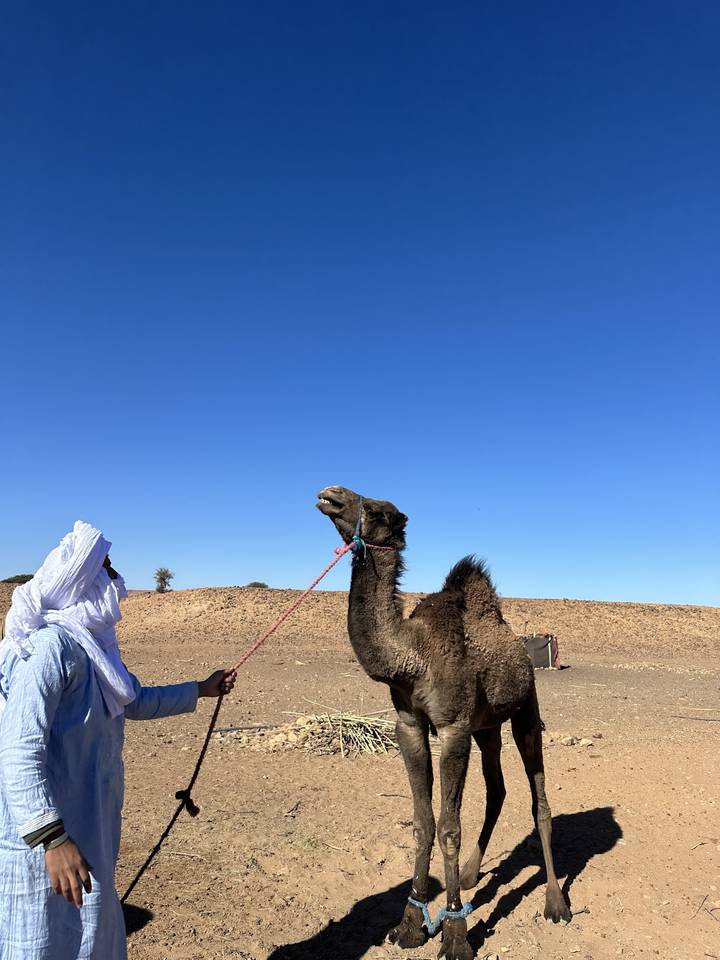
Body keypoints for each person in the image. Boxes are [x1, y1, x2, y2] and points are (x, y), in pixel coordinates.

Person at [0, 521, 237, 960]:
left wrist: (200, 689)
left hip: (87, 822)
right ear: (82, 580)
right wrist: (52, 839)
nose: (117, 580)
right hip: (47, 833)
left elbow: (134, 699)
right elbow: (17, 749)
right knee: (40, 934)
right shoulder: (50, 649)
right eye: (107, 569)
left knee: (87, 931)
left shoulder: (93, 650)